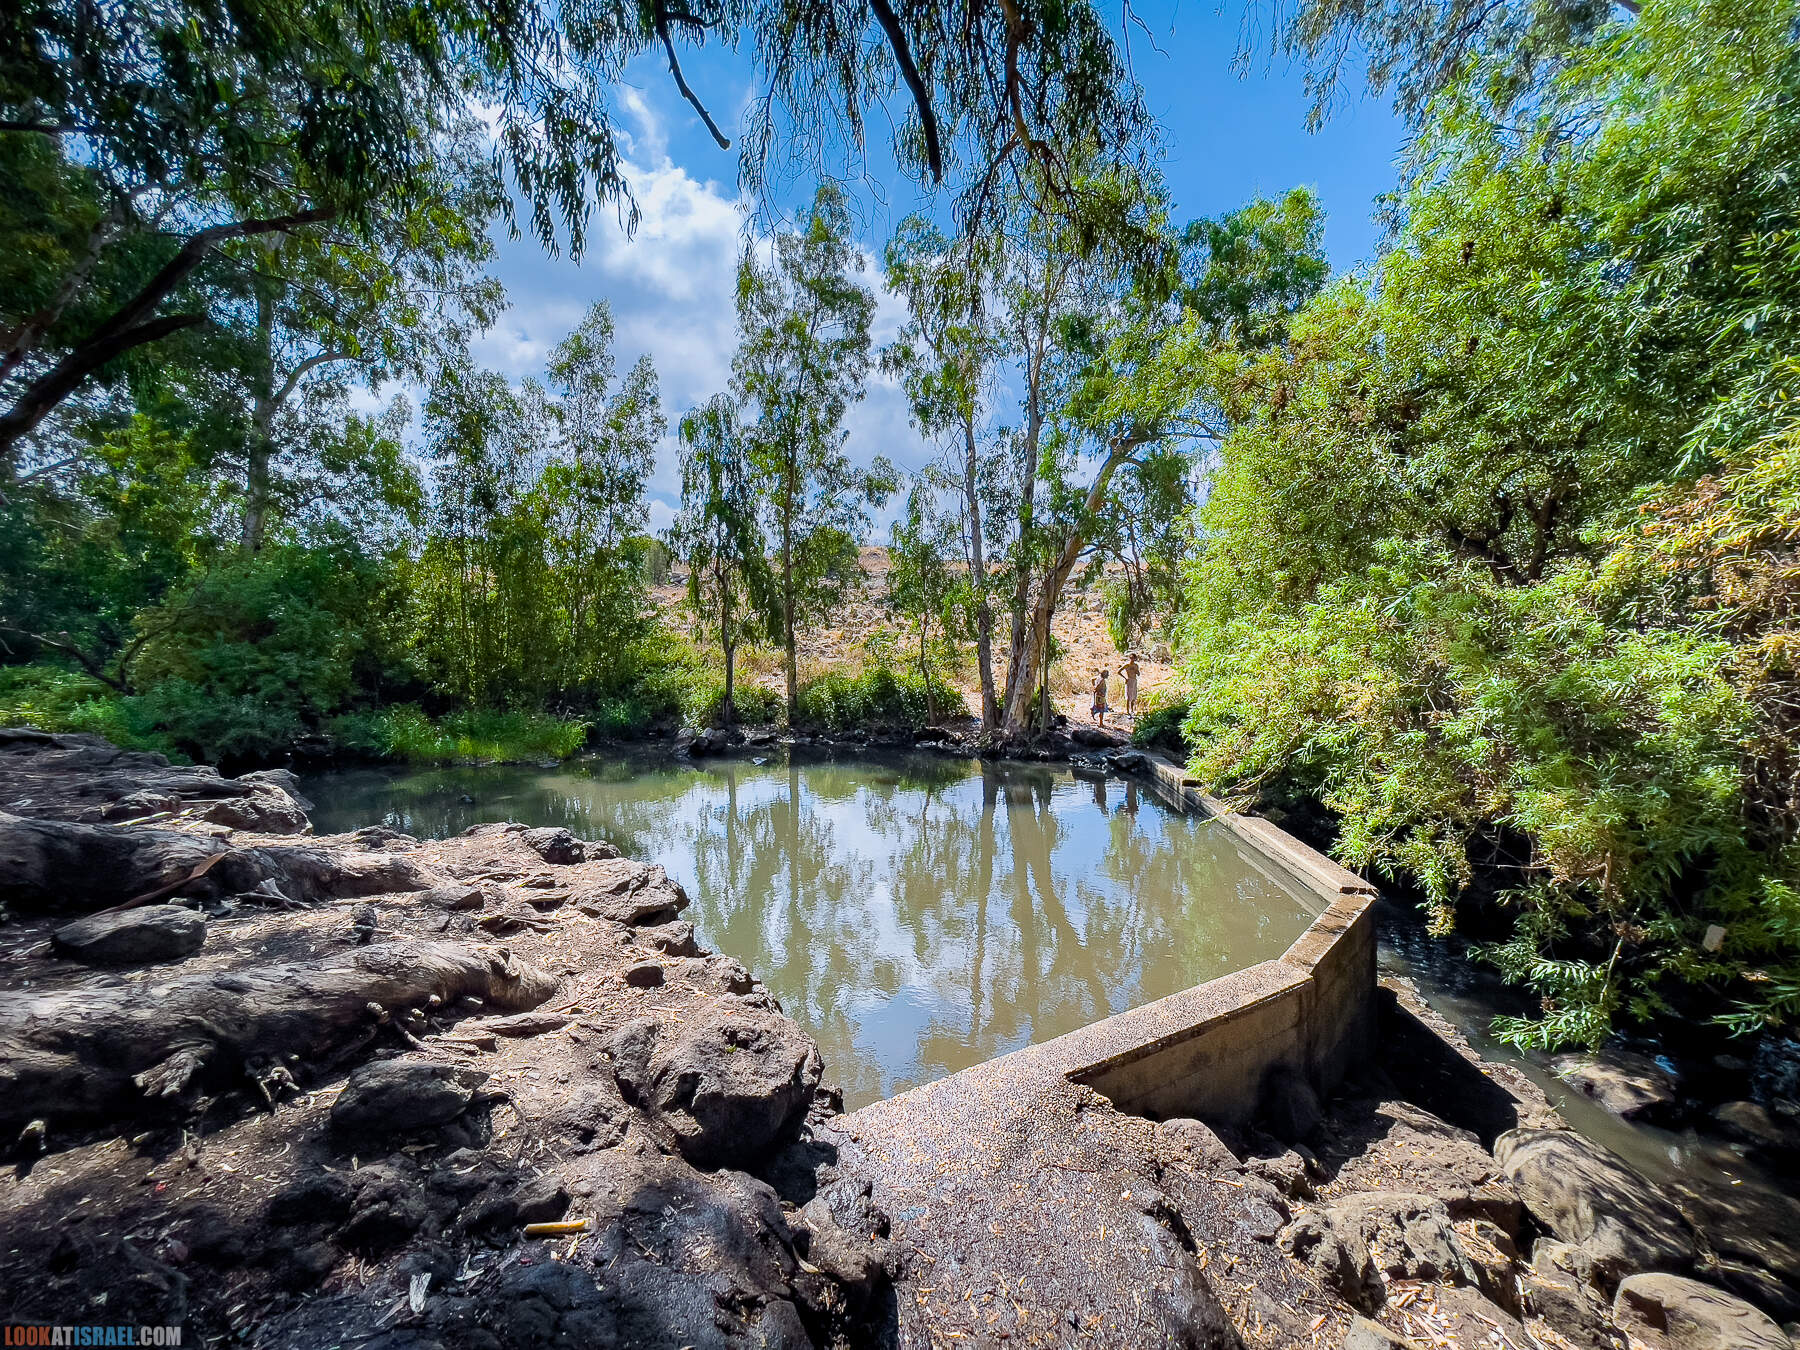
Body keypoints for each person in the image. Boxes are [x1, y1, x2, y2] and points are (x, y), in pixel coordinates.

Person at [1121, 651, 1141, 716]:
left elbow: (1138, 674)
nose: (1132, 659)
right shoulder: (1127, 665)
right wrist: (1125, 678)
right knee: (1128, 696)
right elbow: (1119, 671)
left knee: (1134, 695)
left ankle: (1132, 710)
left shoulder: (1136, 665)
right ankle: (1127, 711)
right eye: (1131, 658)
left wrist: (1136, 671)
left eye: (1134, 658)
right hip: (1129, 680)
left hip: (1134, 680)